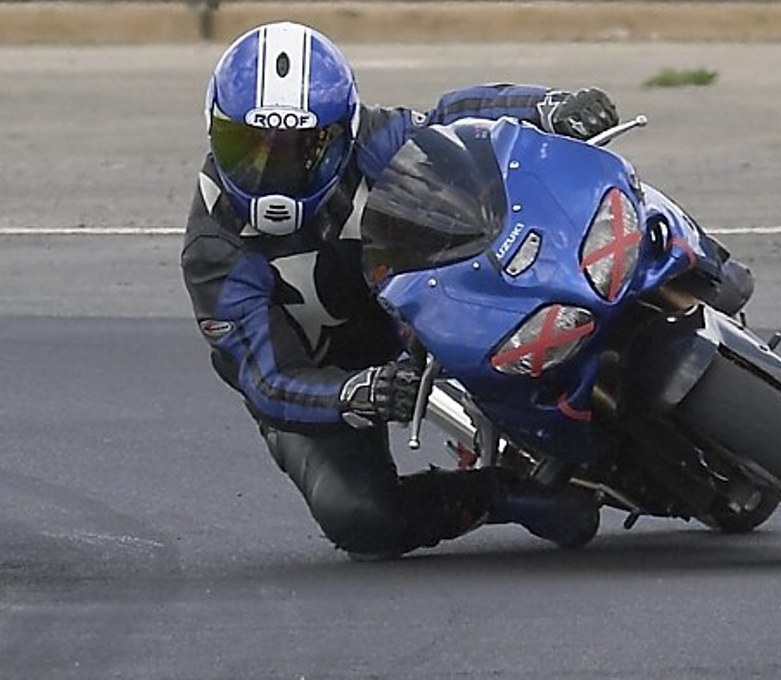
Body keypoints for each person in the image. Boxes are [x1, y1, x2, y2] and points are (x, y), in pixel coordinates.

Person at [181, 21, 621, 560]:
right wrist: (353, 393)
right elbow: (268, 380)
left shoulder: (373, 142)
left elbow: (451, 121)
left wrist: (548, 107)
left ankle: (699, 272)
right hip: (331, 381)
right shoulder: (214, 248)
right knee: (360, 517)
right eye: (249, 145)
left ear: (344, 130)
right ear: (212, 130)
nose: (275, 168)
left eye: (304, 147)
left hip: (426, 307)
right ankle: (499, 492)